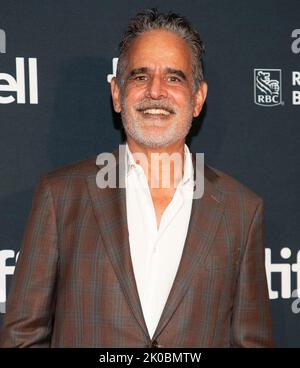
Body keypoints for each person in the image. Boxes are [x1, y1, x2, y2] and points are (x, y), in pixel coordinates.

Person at [0, 8, 273, 347]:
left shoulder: (241, 210)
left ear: (198, 98)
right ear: (117, 93)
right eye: (141, 76)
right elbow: (22, 337)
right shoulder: (61, 196)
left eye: (174, 78)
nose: (155, 91)